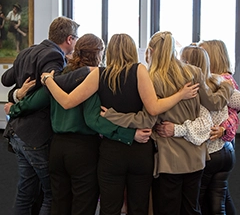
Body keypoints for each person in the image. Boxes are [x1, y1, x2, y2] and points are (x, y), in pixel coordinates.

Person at [40, 33, 200, 215]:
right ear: (132, 50)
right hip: (140, 150)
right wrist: (180, 95)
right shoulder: (139, 70)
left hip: (111, 152)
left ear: (109, 51)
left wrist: (48, 80)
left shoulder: (99, 74)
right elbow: (154, 108)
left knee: (109, 208)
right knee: (138, 207)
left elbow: (67, 102)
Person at [4, 33, 151, 215]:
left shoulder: (58, 77)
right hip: (83, 150)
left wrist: (13, 108)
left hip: (57, 149)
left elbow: (34, 101)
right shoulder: (93, 78)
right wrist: (130, 134)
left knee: (58, 204)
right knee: (83, 205)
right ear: (98, 54)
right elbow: (94, 120)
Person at [97, 32, 234, 215]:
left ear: (151, 51)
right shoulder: (194, 73)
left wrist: (114, 116)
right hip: (195, 155)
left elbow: (145, 119)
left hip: (169, 157)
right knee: (192, 209)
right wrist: (227, 85)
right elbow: (213, 103)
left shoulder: (151, 79)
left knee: (167, 209)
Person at [1, 16, 79, 215]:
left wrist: (17, 95)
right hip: (35, 136)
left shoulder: (28, 51)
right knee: (50, 194)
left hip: (17, 132)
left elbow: (6, 79)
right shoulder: (54, 56)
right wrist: (18, 100)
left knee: (25, 192)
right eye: (76, 38)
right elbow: (47, 93)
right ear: (69, 39)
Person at [154, 45, 239, 215]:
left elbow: (204, 121)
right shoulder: (220, 82)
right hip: (226, 150)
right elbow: (235, 105)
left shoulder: (195, 89)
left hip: (207, 152)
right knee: (219, 201)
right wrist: (228, 124)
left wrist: (175, 129)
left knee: (197, 204)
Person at [197, 40, 239, 214]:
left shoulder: (222, 81)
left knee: (207, 200)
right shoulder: (221, 80)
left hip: (217, 147)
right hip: (226, 149)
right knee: (221, 198)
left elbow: (234, 112)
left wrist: (223, 128)